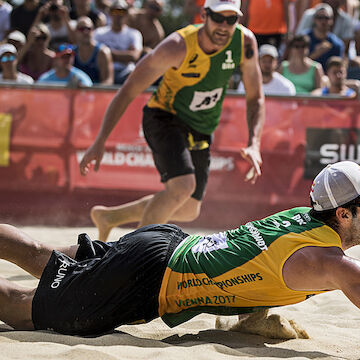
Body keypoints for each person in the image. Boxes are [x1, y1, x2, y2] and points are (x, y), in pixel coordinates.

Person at [0, 160, 360, 355]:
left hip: (164, 242)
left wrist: (253, 318)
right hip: (152, 277)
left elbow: (251, 272)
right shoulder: (333, 263)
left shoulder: (302, 217)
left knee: (43, 256)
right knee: (23, 308)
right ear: (343, 216)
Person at [78, 0, 265, 242]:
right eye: (218, 18)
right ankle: (131, 258)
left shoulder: (245, 42)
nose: (224, 26)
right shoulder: (177, 46)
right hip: (164, 116)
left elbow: (256, 98)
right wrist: (100, 140)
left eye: (231, 19)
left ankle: (110, 218)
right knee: (182, 187)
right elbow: (129, 89)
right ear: (204, 15)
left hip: (201, 127)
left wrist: (254, 144)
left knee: (188, 208)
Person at [94, 0, 143, 85]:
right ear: (109, 13)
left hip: (125, 74)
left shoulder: (134, 34)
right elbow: (93, 53)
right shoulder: (99, 33)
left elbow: (134, 56)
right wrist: (125, 55)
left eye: (122, 11)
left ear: (127, 14)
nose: (118, 14)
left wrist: (106, 54)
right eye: (115, 11)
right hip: (102, 72)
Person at [302, 4, 345, 70]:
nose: (323, 21)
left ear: (332, 20)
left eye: (326, 18)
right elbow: (297, 66)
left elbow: (337, 69)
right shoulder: (303, 40)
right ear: (314, 19)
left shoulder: (337, 44)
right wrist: (315, 54)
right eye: (320, 17)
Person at [73, 16, 114, 85]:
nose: (85, 32)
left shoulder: (102, 53)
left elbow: (108, 81)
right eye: (81, 29)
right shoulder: (71, 53)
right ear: (75, 32)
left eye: (89, 29)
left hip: (97, 93)